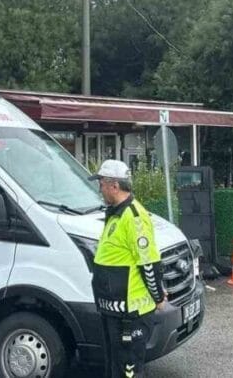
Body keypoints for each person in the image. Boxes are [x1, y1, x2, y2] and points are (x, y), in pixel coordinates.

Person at [89, 159, 167, 378]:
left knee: (129, 372)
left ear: (114, 185)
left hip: (130, 315)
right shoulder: (116, 213)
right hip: (113, 311)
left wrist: (158, 297)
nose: (100, 188)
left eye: (101, 183)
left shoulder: (134, 217)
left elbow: (149, 263)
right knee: (115, 370)